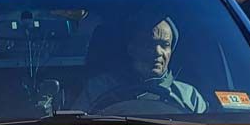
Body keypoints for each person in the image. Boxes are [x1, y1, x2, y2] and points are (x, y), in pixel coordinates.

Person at [73, 14, 210, 113]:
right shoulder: (98, 89)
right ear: (131, 48)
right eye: (148, 44)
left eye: (165, 45)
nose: (158, 52)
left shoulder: (190, 96)